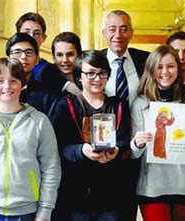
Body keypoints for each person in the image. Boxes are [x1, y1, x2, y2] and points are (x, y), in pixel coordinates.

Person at [0, 57, 61, 221]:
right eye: (0, 81)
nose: (7, 86)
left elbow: (51, 168)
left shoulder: (39, 121)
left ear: (23, 84)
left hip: (28, 211)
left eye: (13, 81)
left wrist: (45, 210)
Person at [48, 50, 131, 220]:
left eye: (102, 73)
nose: (97, 79)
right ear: (79, 76)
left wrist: (116, 151)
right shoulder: (66, 105)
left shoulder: (118, 106)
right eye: (90, 73)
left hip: (111, 193)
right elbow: (57, 146)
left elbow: (124, 141)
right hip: (75, 194)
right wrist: (81, 150)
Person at [131, 45, 185, 221]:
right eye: (159, 67)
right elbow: (134, 154)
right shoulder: (141, 104)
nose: (165, 72)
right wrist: (137, 143)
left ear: (178, 69)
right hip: (152, 186)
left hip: (184, 185)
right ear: (151, 70)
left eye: (170, 66)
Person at [101, 9, 149, 221]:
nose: (117, 34)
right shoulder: (94, 61)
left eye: (123, 29)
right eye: (112, 29)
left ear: (131, 32)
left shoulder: (145, 61)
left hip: (140, 145)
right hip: (106, 145)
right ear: (104, 32)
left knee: (130, 204)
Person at [0, 33, 54, 113]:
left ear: (37, 60)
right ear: (8, 58)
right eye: (17, 52)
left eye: (29, 52)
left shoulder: (46, 94)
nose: (23, 57)